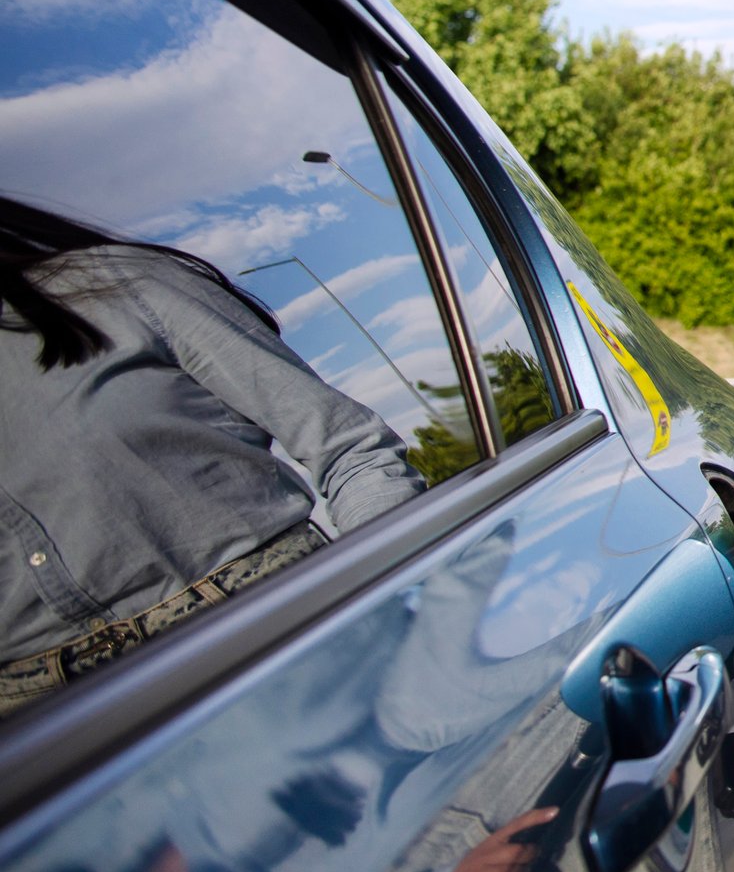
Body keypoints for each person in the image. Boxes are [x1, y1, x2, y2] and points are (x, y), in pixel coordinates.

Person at [0, 198, 426, 715]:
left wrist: (383, 607)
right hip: (45, 738)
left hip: (295, 643)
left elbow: (352, 451)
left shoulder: (117, 287)